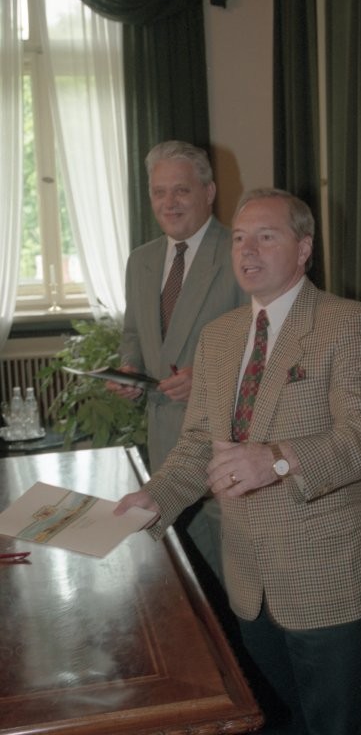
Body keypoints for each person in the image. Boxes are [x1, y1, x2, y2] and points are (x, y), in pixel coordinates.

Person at [115, 188, 361, 734]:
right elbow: (200, 443)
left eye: (266, 236)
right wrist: (155, 496)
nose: (247, 250)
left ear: (304, 249)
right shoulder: (218, 338)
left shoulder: (348, 324)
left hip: (324, 575)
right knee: (274, 722)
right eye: (240, 238)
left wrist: (278, 460)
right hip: (246, 578)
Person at [108, 140, 246, 581]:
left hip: (228, 449)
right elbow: (134, 335)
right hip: (163, 449)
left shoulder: (241, 254)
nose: (169, 203)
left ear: (209, 192)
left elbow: (269, 345)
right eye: (159, 192)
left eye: (181, 190)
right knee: (183, 581)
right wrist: (129, 369)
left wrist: (205, 378)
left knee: (232, 586)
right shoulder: (141, 261)